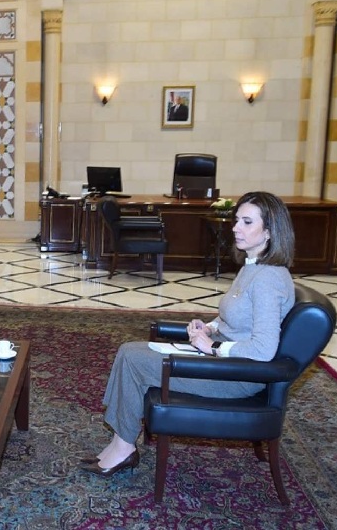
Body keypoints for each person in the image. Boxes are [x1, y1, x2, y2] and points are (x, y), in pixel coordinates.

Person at [84, 191, 295, 477]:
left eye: (247, 222)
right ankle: (120, 441)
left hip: (236, 376)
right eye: (237, 220)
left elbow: (264, 349)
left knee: (133, 359)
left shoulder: (268, 278)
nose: (236, 228)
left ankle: (124, 447)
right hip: (226, 363)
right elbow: (237, 318)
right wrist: (210, 327)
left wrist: (212, 347)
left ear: (269, 231)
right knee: (129, 350)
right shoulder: (253, 267)